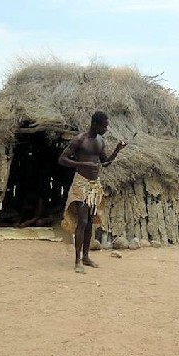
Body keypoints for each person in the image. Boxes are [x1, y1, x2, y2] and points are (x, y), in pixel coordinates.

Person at [58, 111, 127, 274]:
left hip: (94, 186)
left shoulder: (101, 141)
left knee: (89, 222)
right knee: (82, 221)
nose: (106, 129)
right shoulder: (80, 140)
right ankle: (77, 260)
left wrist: (117, 150)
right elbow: (62, 159)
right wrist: (83, 164)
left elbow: (105, 163)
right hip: (81, 183)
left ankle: (86, 257)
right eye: (104, 126)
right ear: (95, 124)